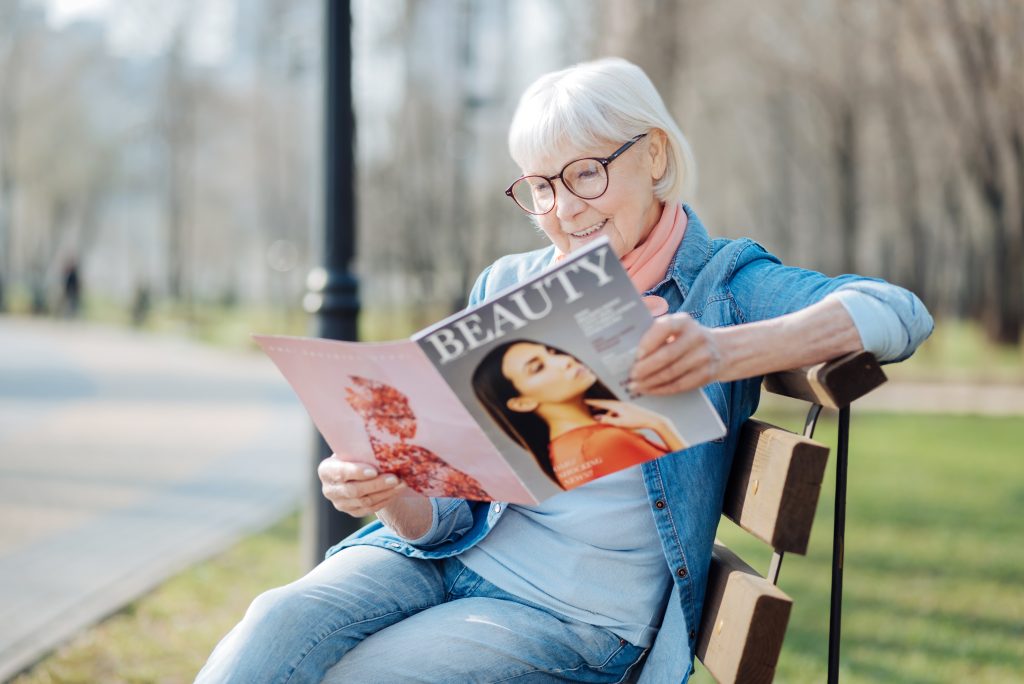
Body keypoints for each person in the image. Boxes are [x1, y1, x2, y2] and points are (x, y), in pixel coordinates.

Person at [197, 57, 933, 683]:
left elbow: (896, 311)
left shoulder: (722, 284)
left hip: (573, 609)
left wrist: (721, 352)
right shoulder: (509, 283)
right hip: (440, 556)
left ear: (653, 156)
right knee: (274, 624)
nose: (563, 210)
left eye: (584, 174)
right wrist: (392, 491)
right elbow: (450, 510)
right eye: (541, 186)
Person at [472, 339, 684, 489]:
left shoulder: (560, 451)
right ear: (522, 402)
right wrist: (659, 424)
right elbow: (691, 489)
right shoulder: (603, 442)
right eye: (538, 367)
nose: (565, 360)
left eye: (552, 353)